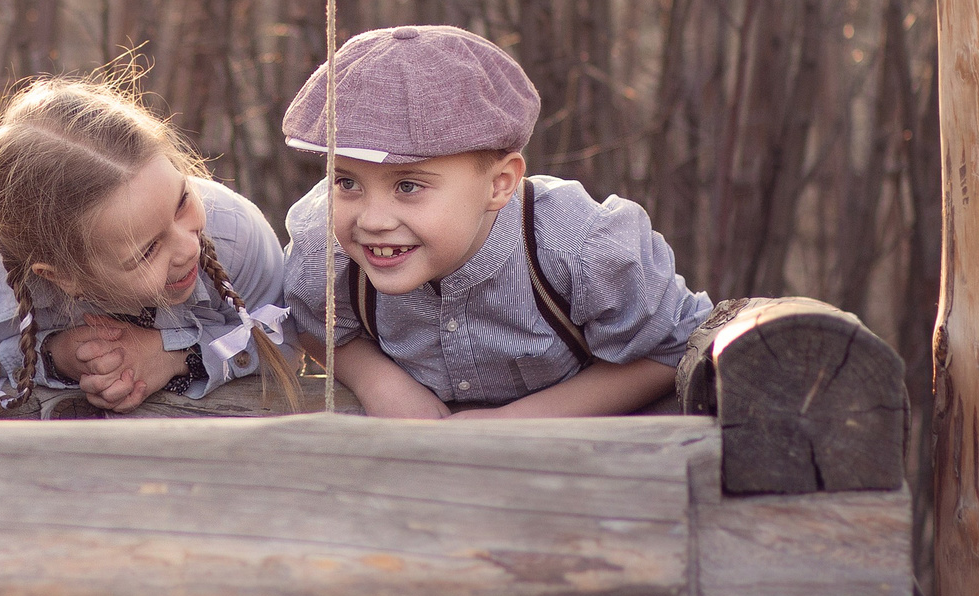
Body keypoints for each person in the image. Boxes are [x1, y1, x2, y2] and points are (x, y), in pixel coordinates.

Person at [279, 25, 711, 419]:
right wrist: (378, 382)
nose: (373, 220)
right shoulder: (324, 251)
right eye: (347, 182)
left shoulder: (579, 247)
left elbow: (673, 346)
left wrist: (513, 423)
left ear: (499, 184)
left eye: (408, 186)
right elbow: (315, 326)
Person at [0, 73, 298, 415]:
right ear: (61, 276)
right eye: (147, 251)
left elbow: (285, 339)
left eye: (182, 202)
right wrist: (54, 357)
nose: (189, 248)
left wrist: (177, 356)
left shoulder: (233, 232)